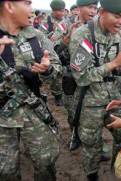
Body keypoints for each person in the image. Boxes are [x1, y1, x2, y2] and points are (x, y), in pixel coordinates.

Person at [69, 0, 121, 180]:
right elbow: (81, 77)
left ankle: (118, 167)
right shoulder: (83, 35)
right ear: (102, 12)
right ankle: (92, 175)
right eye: (117, 16)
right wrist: (114, 63)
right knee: (92, 144)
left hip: (114, 97)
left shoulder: (118, 36)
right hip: (89, 100)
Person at [0, 0, 62, 180]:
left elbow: (57, 69)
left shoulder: (36, 36)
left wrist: (48, 69)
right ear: (9, 6)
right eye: (27, 3)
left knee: (46, 160)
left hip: (33, 109)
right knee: (5, 170)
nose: (32, 9)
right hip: (2, 116)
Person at [51, 0, 98, 151]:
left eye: (95, 8)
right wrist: (67, 39)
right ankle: (75, 135)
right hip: (72, 75)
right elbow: (52, 48)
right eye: (89, 7)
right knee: (73, 112)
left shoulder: (99, 26)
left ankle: (93, 144)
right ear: (78, 9)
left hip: (93, 76)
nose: (92, 11)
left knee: (92, 115)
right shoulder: (66, 25)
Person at [40, 0, 66, 106]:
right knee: (53, 76)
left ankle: (62, 93)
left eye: (63, 10)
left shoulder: (66, 21)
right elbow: (41, 38)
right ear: (53, 11)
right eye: (59, 11)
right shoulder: (46, 23)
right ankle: (53, 95)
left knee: (63, 74)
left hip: (64, 51)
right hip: (51, 52)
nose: (62, 13)